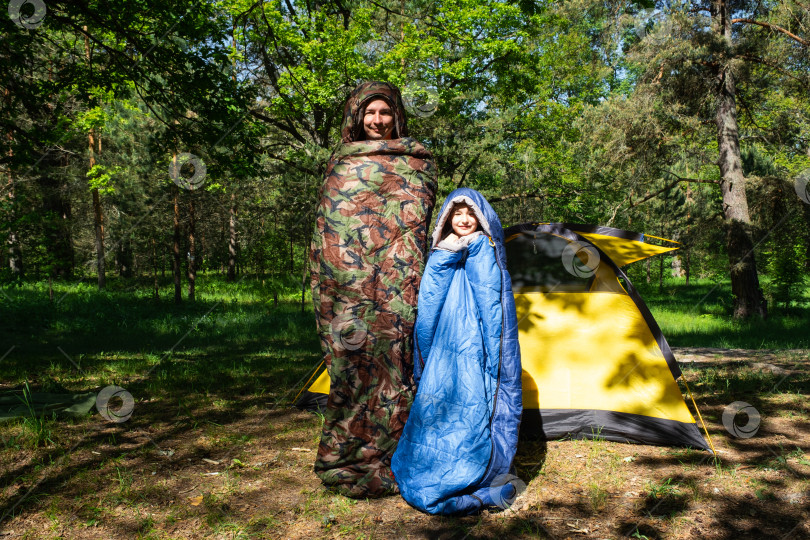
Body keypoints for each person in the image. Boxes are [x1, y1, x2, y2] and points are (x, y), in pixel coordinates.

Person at [309, 81, 438, 498]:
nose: (378, 121)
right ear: (355, 118)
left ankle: (396, 451)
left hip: (398, 290)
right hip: (348, 288)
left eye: (385, 113)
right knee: (351, 362)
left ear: (397, 116)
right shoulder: (340, 164)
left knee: (395, 364)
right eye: (370, 113)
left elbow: (416, 227)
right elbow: (328, 233)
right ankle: (347, 451)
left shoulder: (417, 162)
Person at [391, 188, 522, 515]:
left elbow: (493, 304)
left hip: (475, 345)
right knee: (439, 403)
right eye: (457, 213)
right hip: (444, 352)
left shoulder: (487, 249)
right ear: (447, 218)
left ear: (482, 218)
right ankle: (437, 466)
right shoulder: (441, 252)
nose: (464, 220)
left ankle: (472, 467)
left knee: (473, 403)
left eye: (470, 213)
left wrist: (497, 361)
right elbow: (429, 305)